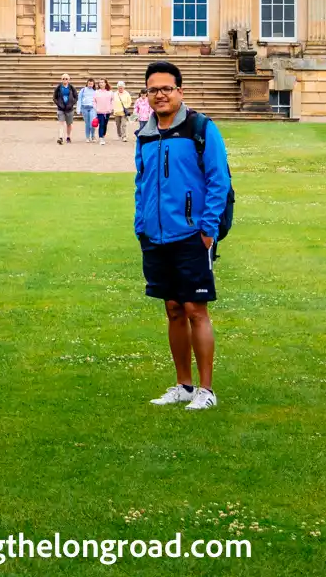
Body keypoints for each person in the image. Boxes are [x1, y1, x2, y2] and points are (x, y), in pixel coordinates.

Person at [134, 60, 230, 411]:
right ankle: (183, 385)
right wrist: (139, 223)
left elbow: (219, 180)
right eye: (153, 89)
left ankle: (206, 389)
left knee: (195, 310)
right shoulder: (145, 133)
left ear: (179, 92)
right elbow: (140, 182)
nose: (159, 95)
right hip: (155, 235)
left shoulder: (200, 128)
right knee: (173, 309)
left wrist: (208, 230)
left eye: (166, 88)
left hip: (192, 234)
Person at [53, 73, 77, 144]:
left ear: (69, 79)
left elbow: (76, 97)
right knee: (61, 123)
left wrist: (72, 104)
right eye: (63, 78)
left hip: (69, 109)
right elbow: (54, 97)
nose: (65, 80)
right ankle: (60, 137)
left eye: (66, 79)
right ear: (61, 79)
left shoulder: (71, 87)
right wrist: (59, 104)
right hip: (61, 109)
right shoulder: (59, 87)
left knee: (69, 124)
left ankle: (68, 137)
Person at [76, 77, 97, 142]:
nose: (90, 85)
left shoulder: (95, 91)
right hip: (84, 108)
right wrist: (78, 109)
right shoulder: (83, 90)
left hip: (92, 108)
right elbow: (79, 99)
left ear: (93, 84)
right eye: (89, 83)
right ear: (87, 84)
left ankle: (93, 136)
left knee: (92, 122)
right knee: (87, 123)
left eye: (91, 84)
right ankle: (87, 137)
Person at [94, 79, 114, 143]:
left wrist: (111, 108)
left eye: (102, 82)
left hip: (107, 111)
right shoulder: (96, 92)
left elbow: (112, 100)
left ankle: (103, 134)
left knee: (105, 124)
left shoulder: (110, 92)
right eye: (100, 82)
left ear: (105, 83)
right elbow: (94, 101)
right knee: (101, 124)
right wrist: (96, 108)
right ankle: (101, 138)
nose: (101, 84)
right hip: (99, 111)